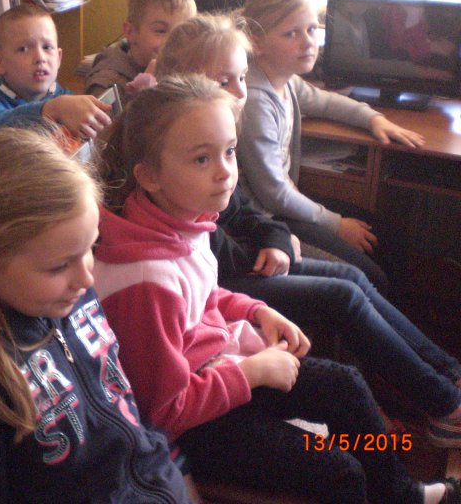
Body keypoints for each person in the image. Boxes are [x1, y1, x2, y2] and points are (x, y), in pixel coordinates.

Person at [93, 74, 459, 504]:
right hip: (196, 429)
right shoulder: (144, 280)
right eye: (202, 159)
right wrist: (253, 372)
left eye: (229, 151)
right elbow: (164, 413)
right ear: (150, 176)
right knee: (340, 474)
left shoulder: (181, 221)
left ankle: (400, 493)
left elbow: (203, 296)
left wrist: (255, 311)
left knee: (344, 386)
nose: (226, 171)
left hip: (220, 374)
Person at [154, 13, 461, 448]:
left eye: (241, 78)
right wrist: (268, 248)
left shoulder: (217, 132)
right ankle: (444, 405)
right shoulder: (181, 149)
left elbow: (245, 211)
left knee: (352, 277)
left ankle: (447, 375)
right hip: (225, 286)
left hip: (249, 264)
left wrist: (276, 239)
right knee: (343, 294)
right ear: (180, 85)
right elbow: (214, 248)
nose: (239, 92)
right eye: (224, 82)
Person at [0, 127, 192, 503]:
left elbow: (125, 413)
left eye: (90, 247)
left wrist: (177, 472)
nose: (87, 277)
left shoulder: (72, 297)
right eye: (59, 266)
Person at [238, 0, 425, 291]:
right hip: (265, 219)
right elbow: (274, 195)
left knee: (388, 235)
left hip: (285, 204)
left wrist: (373, 118)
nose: (308, 42)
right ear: (256, 42)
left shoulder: (284, 79)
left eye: (312, 29)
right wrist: (336, 224)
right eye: (291, 34)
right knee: (372, 276)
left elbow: (325, 102)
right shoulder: (257, 100)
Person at [0, 4, 113, 144]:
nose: (40, 58)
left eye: (47, 47)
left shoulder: (64, 98)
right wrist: (52, 110)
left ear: (58, 58)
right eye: (23, 49)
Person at [84, 0, 196, 101]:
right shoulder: (106, 83)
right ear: (130, 32)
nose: (174, 41)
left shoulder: (180, 67)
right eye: (161, 31)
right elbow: (101, 113)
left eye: (184, 31)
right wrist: (144, 93)